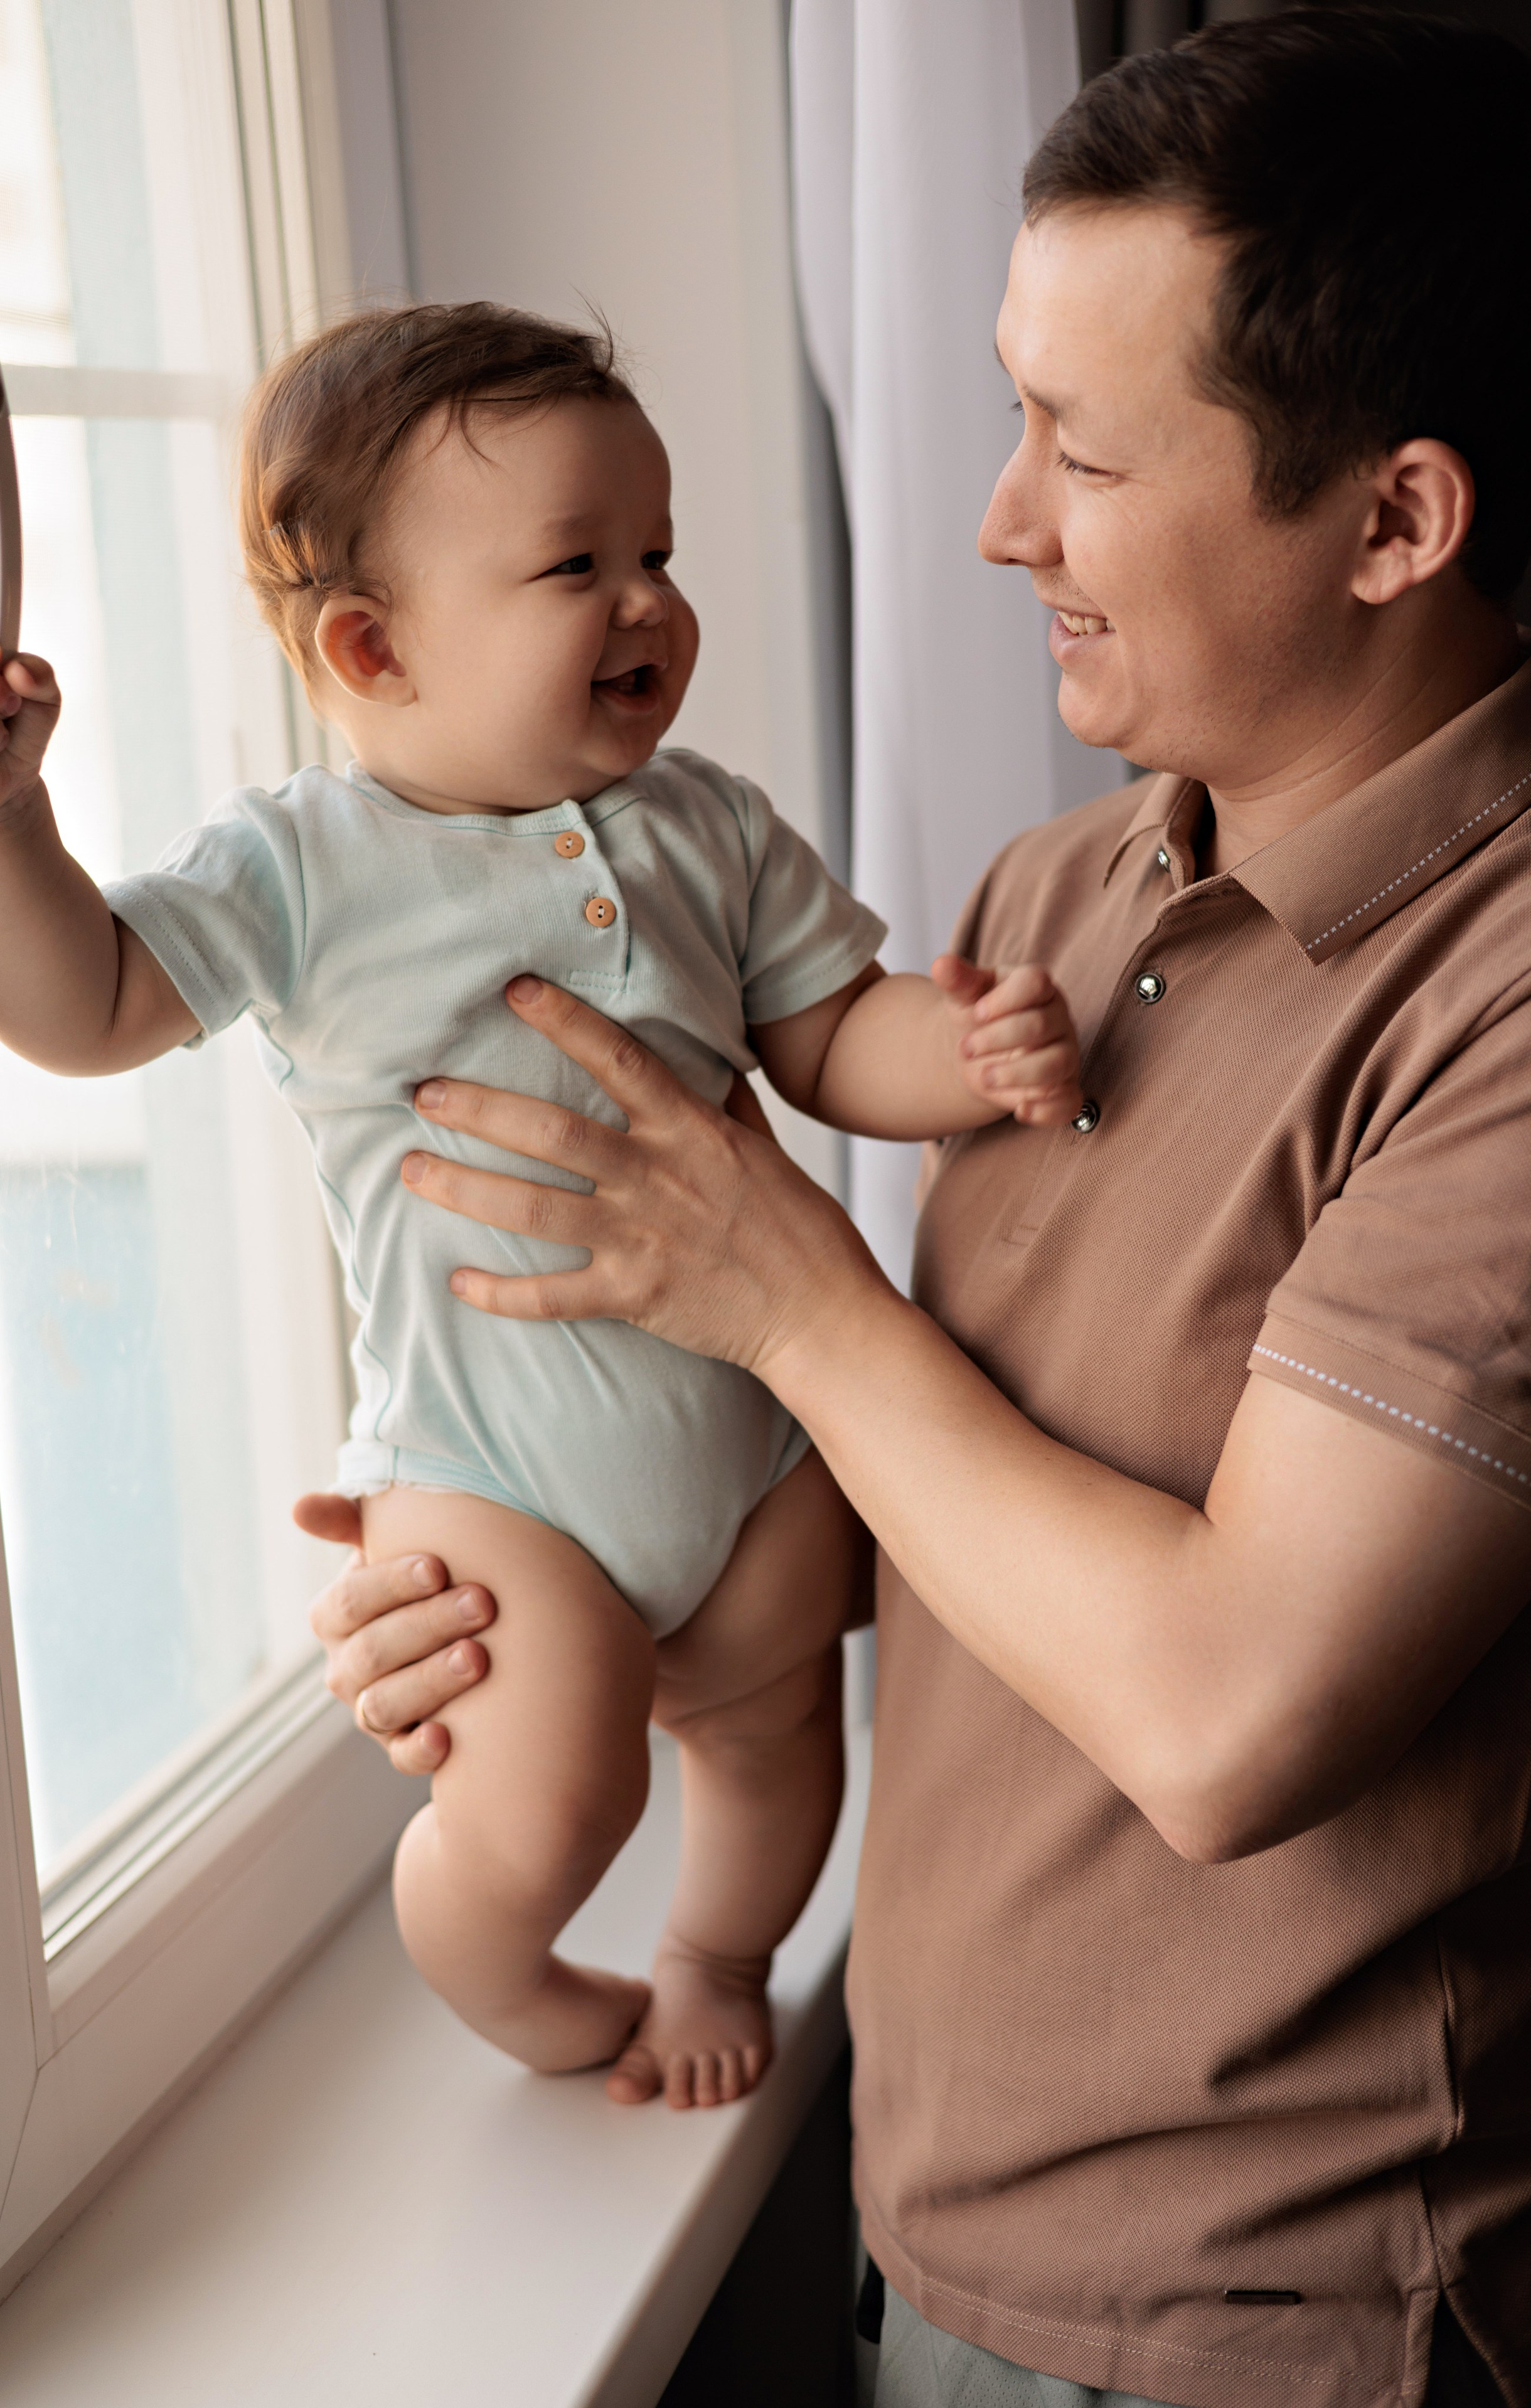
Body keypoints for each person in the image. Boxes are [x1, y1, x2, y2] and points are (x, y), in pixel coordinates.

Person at [301, 13, 1531, 2404]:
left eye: (1081, 445)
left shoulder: (1499, 1000)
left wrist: (781, 1293)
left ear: (1395, 522)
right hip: (926, 2222)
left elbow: (1225, 1710)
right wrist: (548, 1552)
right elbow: (976, 1528)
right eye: (1009, 409)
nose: (996, 518)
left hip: (1271, 2336)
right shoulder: (1055, 895)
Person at [0, 301, 1084, 2112]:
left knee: (783, 1730)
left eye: (660, 554)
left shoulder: (708, 825)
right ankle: (490, 1961)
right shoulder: (302, 865)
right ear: (373, 647)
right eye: (578, 567)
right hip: (498, 1474)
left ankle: (716, 1951)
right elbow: (81, 1008)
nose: (648, 602)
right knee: (555, 1795)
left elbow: (835, 1036)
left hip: (754, 1439)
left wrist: (976, 1047)